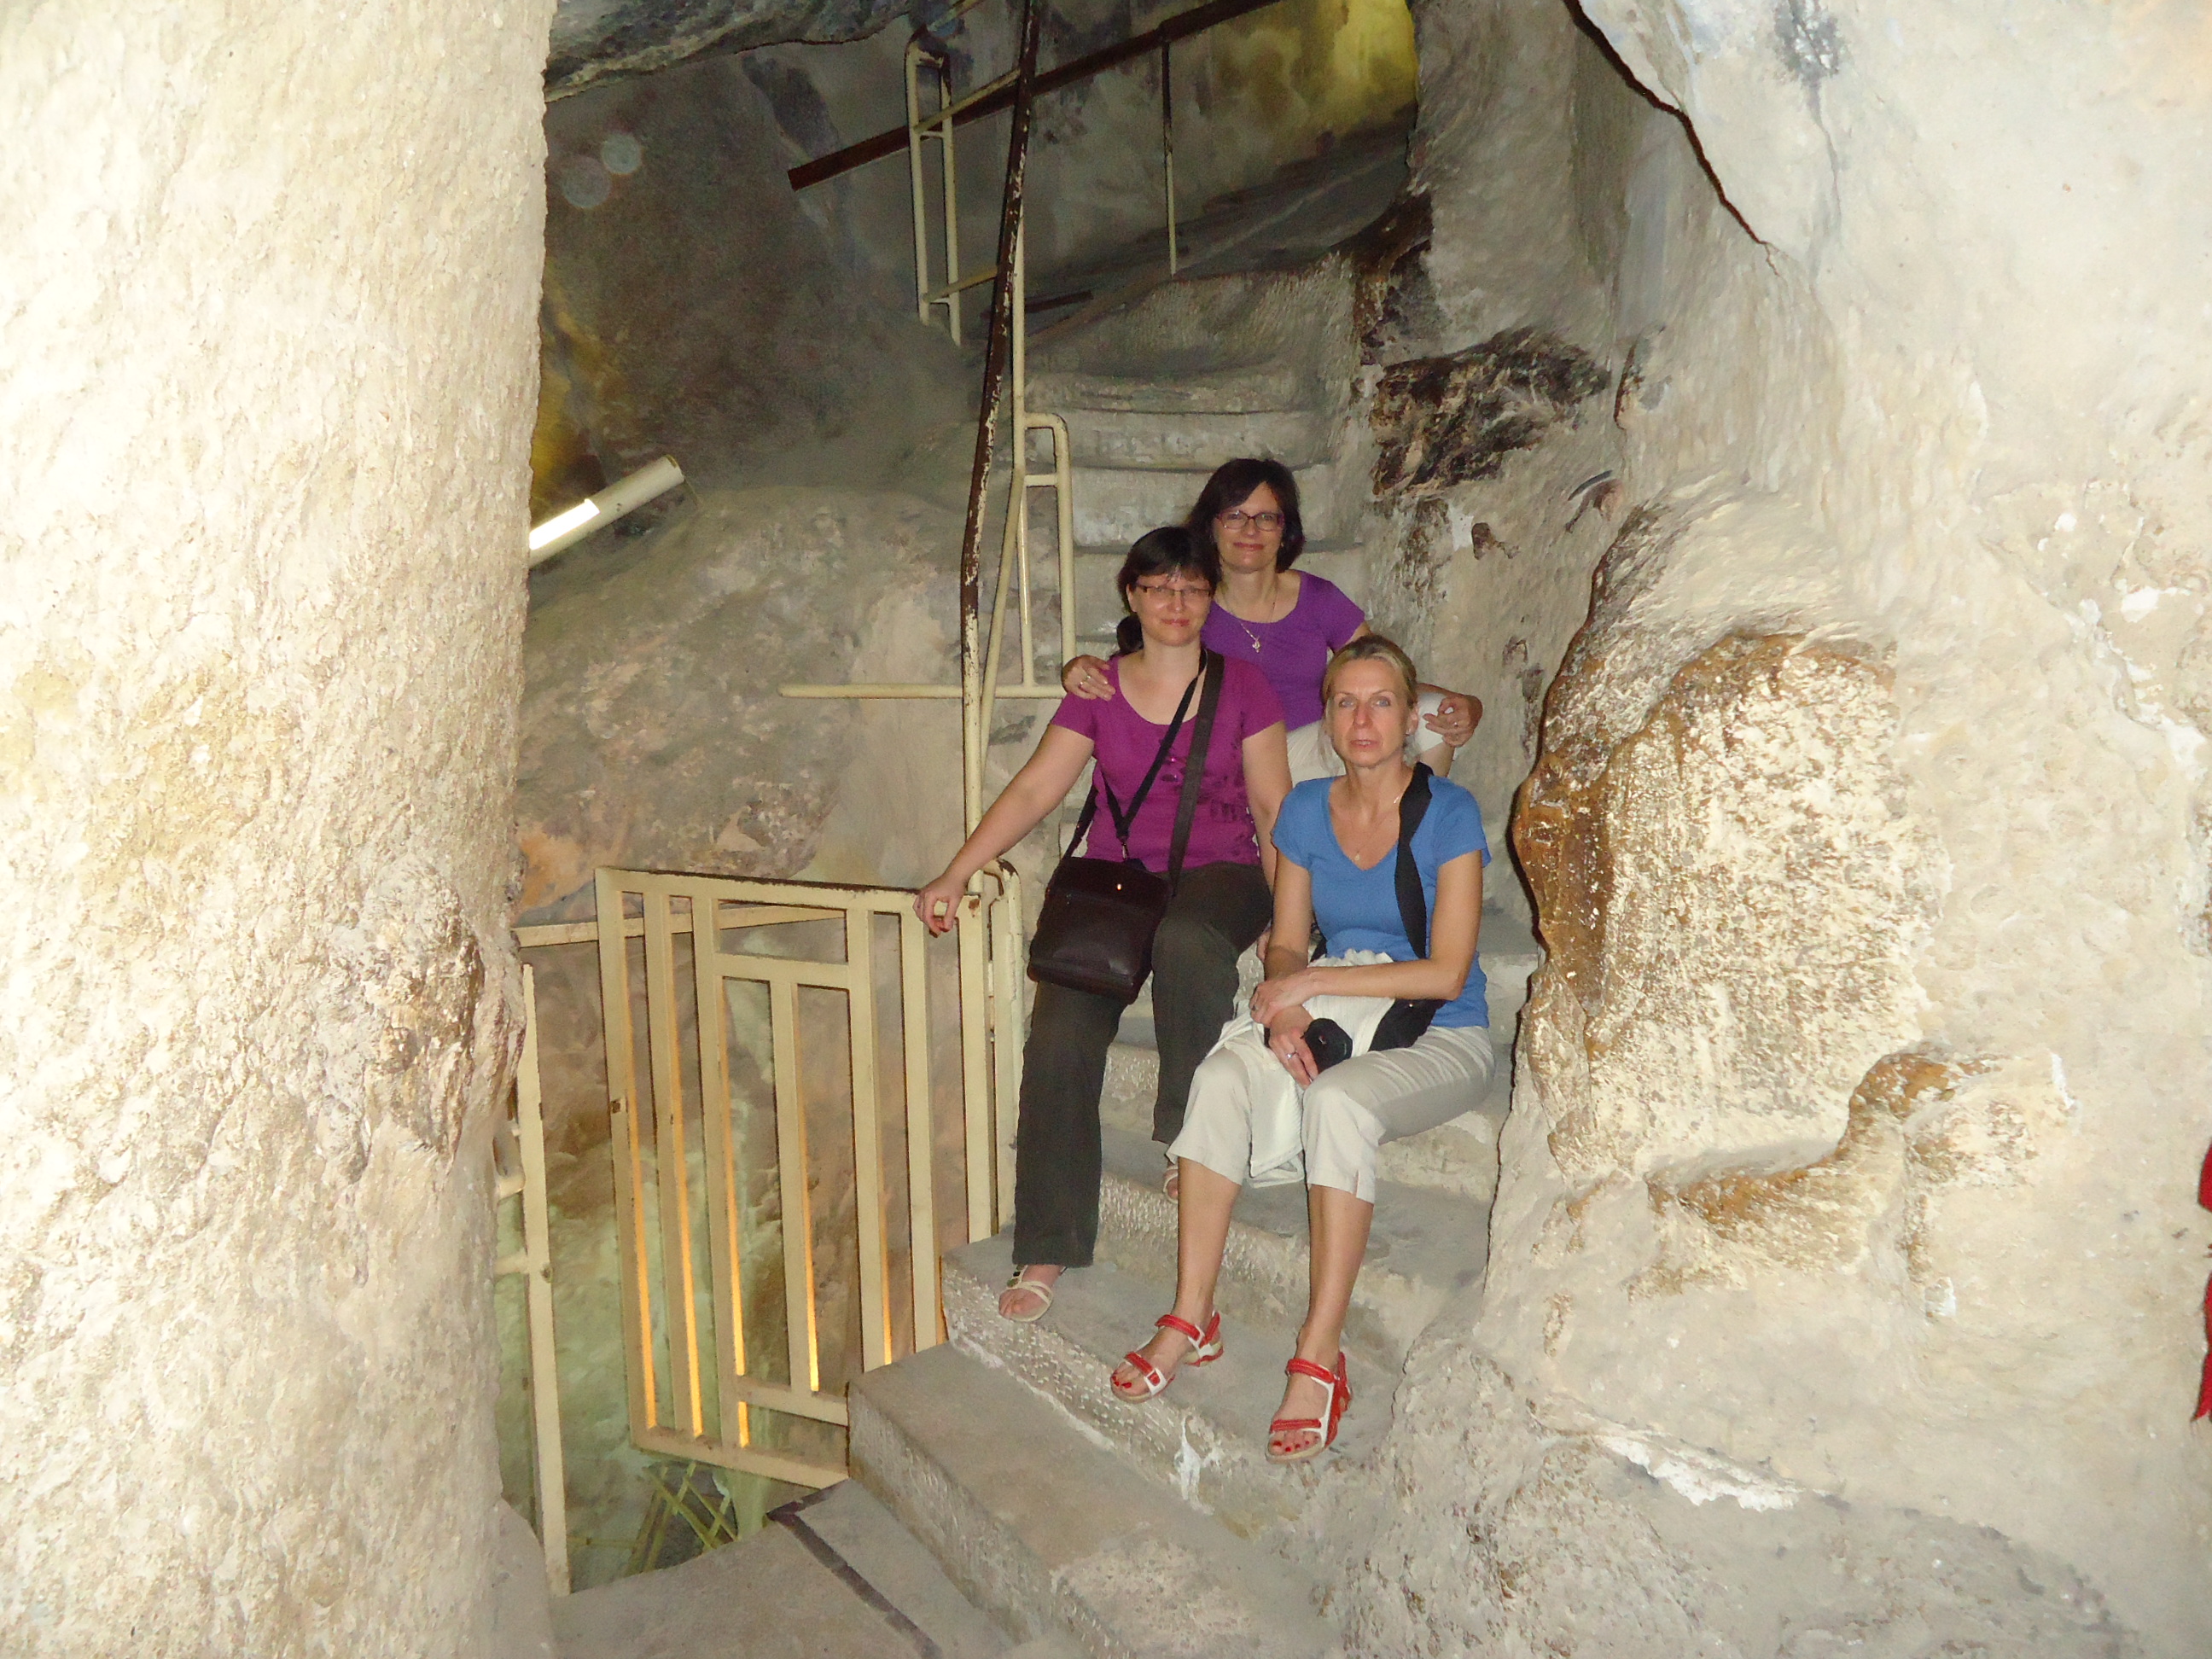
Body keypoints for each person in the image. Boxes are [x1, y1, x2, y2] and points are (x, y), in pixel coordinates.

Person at [1103, 636, 1493, 1462]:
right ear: (1327, 716)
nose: (1363, 720)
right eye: (1346, 702)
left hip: (1440, 1032)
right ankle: (1192, 1315)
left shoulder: (1449, 814)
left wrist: (1311, 984)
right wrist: (1286, 1007)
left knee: (1339, 1102)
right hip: (1335, 1010)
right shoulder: (1307, 809)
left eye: (1382, 702)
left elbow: (1447, 971)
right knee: (1221, 1076)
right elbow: (1286, 942)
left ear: (1410, 717)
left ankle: (1320, 1352)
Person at [916, 527, 1293, 1322]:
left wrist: (1288, 918)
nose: (1176, 603)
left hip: (1223, 874)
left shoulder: (1244, 685)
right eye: (1160, 588)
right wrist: (957, 871)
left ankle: (1188, 1135)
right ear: (1133, 595)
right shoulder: (1099, 689)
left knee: (1187, 939)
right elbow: (1034, 790)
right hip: (1119, 887)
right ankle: (1047, 1242)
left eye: (1192, 588)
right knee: (1059, 1032)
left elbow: (1272, 806)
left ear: (1211, 598)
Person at [1059, 458, 1481, 783]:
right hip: (1231, 765)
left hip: (1314, 752)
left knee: (1428, 716)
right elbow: (1141, 670)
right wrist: (1078, 670)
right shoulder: (1190, 601)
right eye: (1235, 516)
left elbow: (1384, 677)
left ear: (1284, 531)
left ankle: (1406, 840)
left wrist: (1463, 703)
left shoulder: (1317, 598)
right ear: (1211, 527)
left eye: (1266, 518)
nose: (1251, 531)